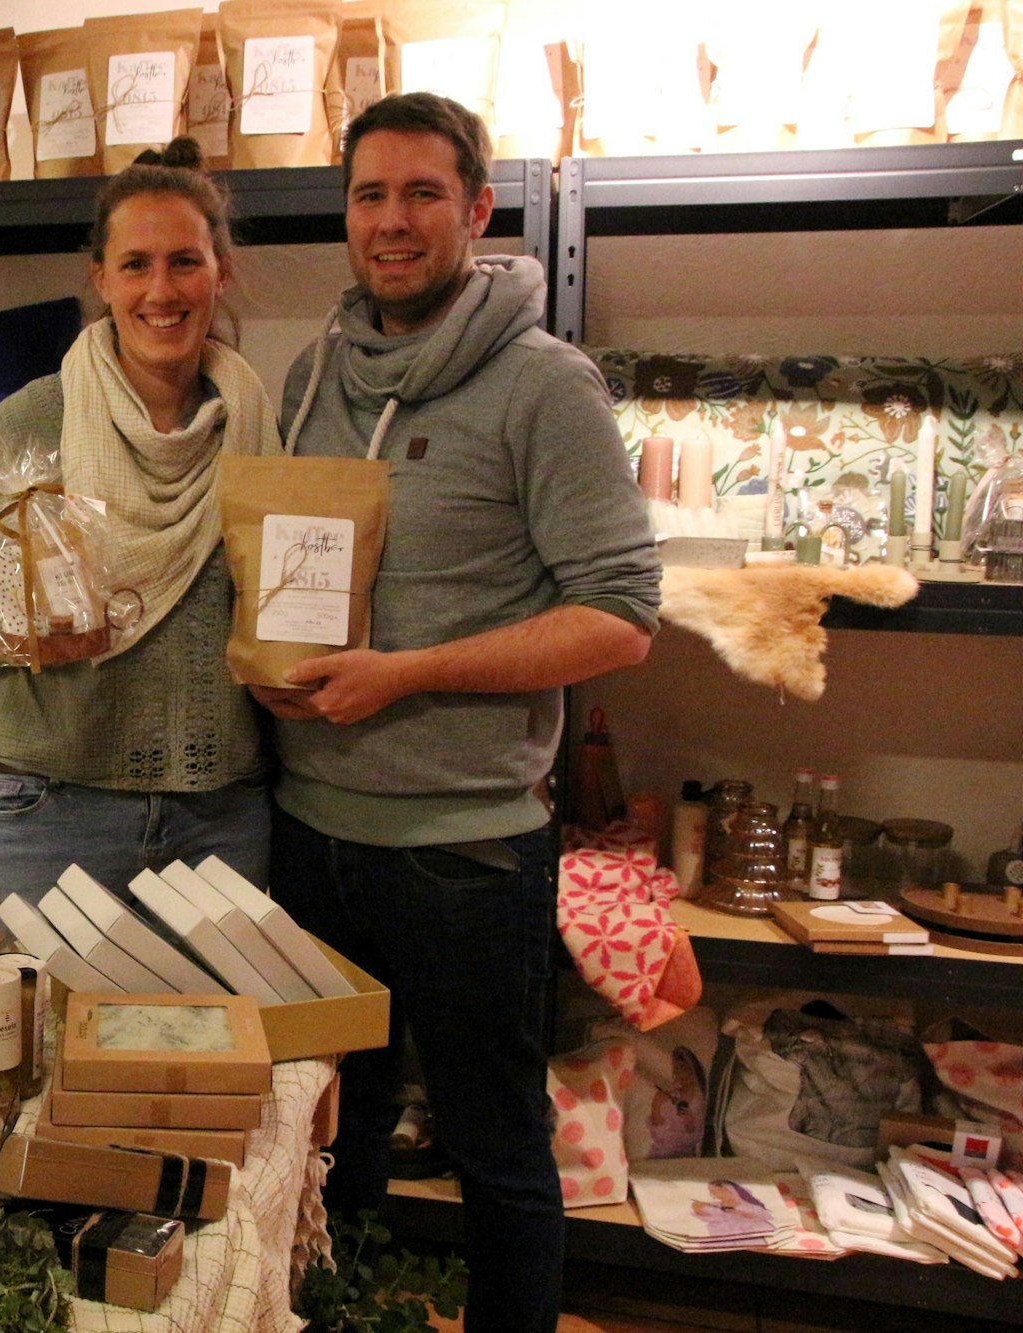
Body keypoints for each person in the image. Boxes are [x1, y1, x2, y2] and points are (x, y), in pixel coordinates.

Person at [257, 94, 662, 1329]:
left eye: (422, 193)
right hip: (312, 837)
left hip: (466, 850)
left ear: (476, 210)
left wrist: (409, 670)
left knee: (494, 1146)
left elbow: (620, 617)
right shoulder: (311, 373)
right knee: (338, 1134)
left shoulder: (544, 385)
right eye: (369, 195)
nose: (392, 221)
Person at [0, 138, 282, 905]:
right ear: (100, 276)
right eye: (135, 264)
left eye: (185, 261)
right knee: (30, 1025)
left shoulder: (260, 426)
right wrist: (30, 598)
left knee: (211, 1027)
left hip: (220, 813)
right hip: (51, 807)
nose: (161, 289)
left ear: (219, 272)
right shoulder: (32, 420)